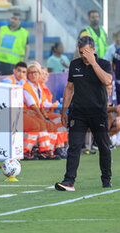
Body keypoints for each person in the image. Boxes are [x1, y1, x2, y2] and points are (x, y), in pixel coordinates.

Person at [55, 36, 112, 191]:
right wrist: (64, 110)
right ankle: (68, 181)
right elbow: (69, 88)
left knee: (104, 146)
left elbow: (107, 81)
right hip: (78, 113)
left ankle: (106, 178)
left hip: (98, 113)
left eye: (86, 52)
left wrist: (93, 63)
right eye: (81, 52)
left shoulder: (104, 64)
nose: (83, 56)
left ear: (93, 50)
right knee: (74, 146)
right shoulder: (74, 65)